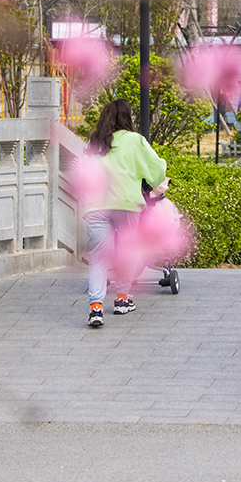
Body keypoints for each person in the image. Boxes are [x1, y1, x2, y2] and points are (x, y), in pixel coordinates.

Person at [82, 98, 167, 328]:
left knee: (98, 258)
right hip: (127, 204)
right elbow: (157, 170)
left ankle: (96, 308)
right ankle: (121, 299)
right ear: (127, 117)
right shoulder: (134, 140)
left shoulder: (96, 141)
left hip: (96, 206)